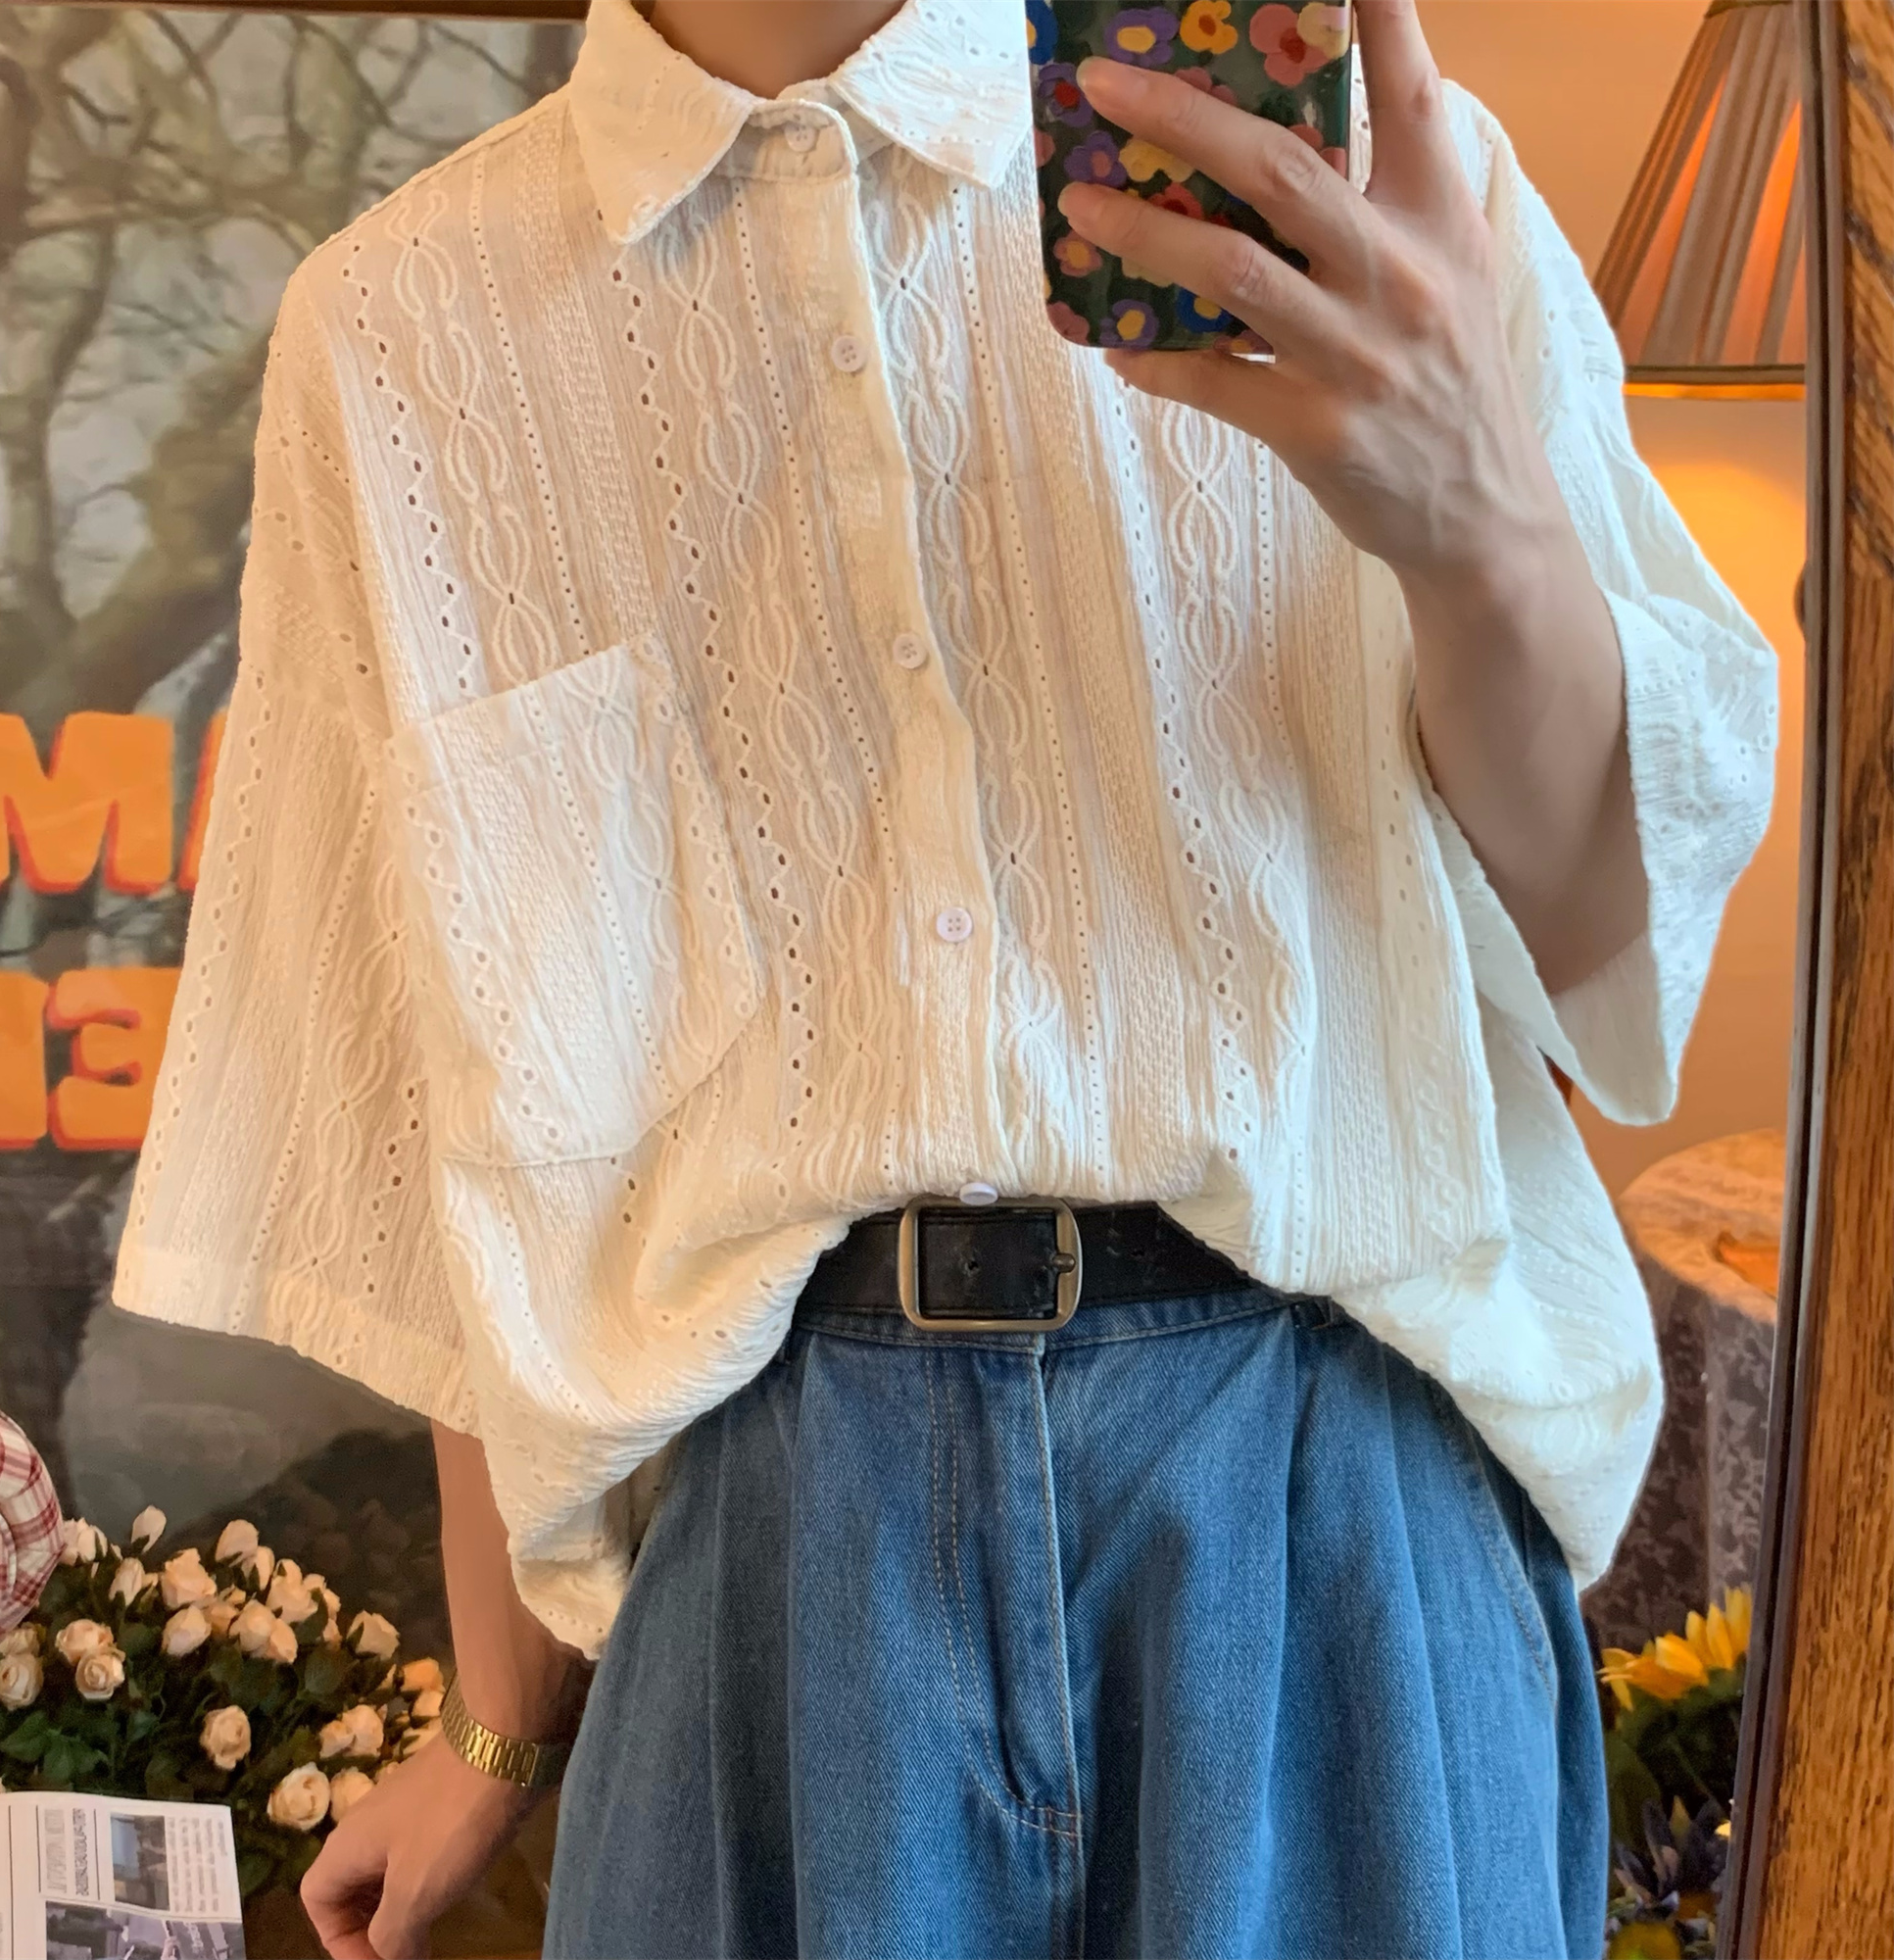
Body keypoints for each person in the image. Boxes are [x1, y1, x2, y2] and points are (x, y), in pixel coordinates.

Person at [113, 1, 1776, 1955]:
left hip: (1327, 1507)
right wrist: (498, 1711)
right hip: (770, 1572)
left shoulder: (1361, 190)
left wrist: (1480, 523)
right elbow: (460, 1081)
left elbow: (1611, 936)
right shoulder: (405, 336)